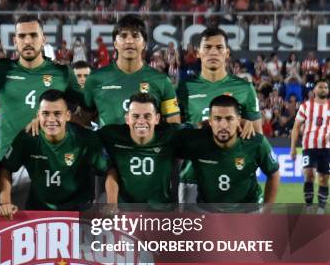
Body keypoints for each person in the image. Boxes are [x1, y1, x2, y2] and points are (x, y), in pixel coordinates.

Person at [0, 14, 84, 159]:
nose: (27, 41)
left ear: (43, 39)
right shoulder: (1, 68)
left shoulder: (62, 73)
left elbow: (86, 109)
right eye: (22, 36)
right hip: (9, 163)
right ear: (15, 41)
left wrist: (59, 121)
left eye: (33, 35)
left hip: (50, 161)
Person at [176, 27, 261, 203]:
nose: (213, 52)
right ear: (198, 53)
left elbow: (258, 138)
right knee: (192, 230)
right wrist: (198, 129)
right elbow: (175, 135)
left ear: (227, 52)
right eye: (207, 47)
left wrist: (246, 125)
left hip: (235, 176)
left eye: (219, 47)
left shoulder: (245, 88)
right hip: (193, 178)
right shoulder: (184, 88)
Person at [0, 89, 107, 218]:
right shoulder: (27, 137)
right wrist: (4, 201)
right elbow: (5, 168)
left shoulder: (85, 138)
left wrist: (108, 202)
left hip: (79, 212)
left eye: (57, 114)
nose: (51, 119)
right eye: (45, 113)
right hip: (38, 211)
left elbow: (108, 170)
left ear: (67, 115)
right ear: (38, 115)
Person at [83, 14, 180, 128]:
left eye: (135, 36)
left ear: (144, 44)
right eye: (123, 36)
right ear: (115, 43)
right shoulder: (95, 79)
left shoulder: (162, 81)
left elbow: (174, 127)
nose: (129, 41)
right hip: (109, 146)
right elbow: (83, 120)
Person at [179, 95, 280, 205]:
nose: (223, 125)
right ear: (209, 121)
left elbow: (274, 173)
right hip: (209, 212)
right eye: (217, 119)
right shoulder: (197, 143)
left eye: (229, 119)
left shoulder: (255, 142)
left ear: (238, 120)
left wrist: (266, 211)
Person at [100, 93, 186, 204]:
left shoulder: (171, 134)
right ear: (127, 119)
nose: (141, 121)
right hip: (123, 212)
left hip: (162, 212)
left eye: (147, 116)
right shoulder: (111, 135)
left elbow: (198, 134)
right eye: (135, 116)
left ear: (157, 118)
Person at [290, 79, 329, 211]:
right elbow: (296, 128)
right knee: (309, 174)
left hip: (327, 148)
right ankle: (308, 207)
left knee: (324, 179)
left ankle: (321, 209)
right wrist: (293, 148)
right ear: (314, 90)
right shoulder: (305, 106)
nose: (323, 89)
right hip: (309, 146)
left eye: (325, 87)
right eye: (320, 87)